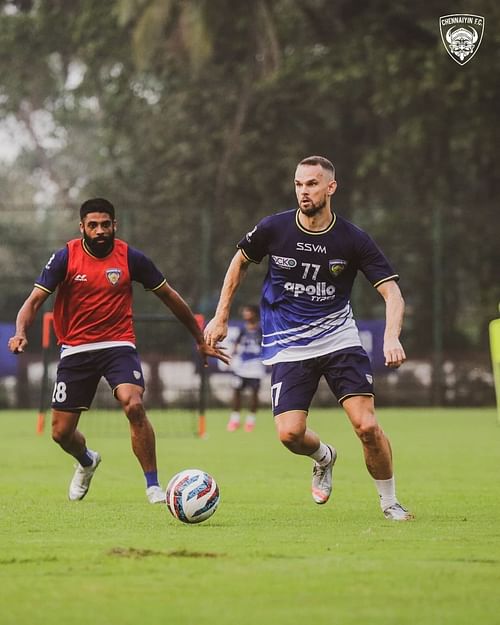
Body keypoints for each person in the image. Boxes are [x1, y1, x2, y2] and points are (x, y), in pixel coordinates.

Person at [205, 156, 413, 521]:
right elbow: (239, 261)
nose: (304, 191)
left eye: (313, 184)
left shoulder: (353, 239)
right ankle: (324, 457)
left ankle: (390, 502)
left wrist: (391, 336)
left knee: (366, 426)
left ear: (331, 187)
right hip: (289, 344)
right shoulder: (274, 228)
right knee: (289, 435)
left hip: (339, 340)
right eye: (300, 184)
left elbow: (392, 293)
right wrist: (221, 316)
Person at [8, 198, 228, 504]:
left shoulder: (131, 258)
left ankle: (153, 486)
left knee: (133, 404)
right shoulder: (65, 257)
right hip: (75, 349)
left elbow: (170, 296)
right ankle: (87, 461)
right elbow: (33, 301)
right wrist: (20, 332)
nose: (100, 230)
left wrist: (198, 338)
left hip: (118, 345)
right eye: (93, 225)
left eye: (105, 224)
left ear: (115, 225)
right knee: (60, 433)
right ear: (82, 227)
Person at [226, 305, 265, 433]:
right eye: (245, 311)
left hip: (256, 368)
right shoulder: (242, 329)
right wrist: (231, 356)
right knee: (236, 392)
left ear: (254, 314)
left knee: (254, 394)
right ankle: (235, 420)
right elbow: (236, 344)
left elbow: (265, 344)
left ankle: (250, 421)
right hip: (241, 367)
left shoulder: (260, 329)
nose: (246, 314)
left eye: (248, 312)